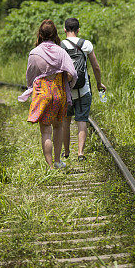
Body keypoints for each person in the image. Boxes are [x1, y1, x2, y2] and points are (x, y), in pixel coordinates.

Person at [18, 19, 77, 169]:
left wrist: (33, 88)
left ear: (40, 34)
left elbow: (30, 77)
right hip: (59, 93)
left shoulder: (35, 53)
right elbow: (72, 73)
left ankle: (50, 165)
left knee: (46, 131)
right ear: (55, 34)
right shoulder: (61, 51)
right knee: (58, 127)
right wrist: (65, 82)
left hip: (42, 93)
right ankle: (58, 161)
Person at [61, 17, 106, 161]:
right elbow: (96, 67)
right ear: (78, 30)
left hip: (66, 91)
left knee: (65, 122)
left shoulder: (60, 45)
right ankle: (80, 153)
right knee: (82, 121)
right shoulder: (86, 44)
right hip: (84, 89)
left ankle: (66, 152)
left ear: (65, 29)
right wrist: (99, 84)